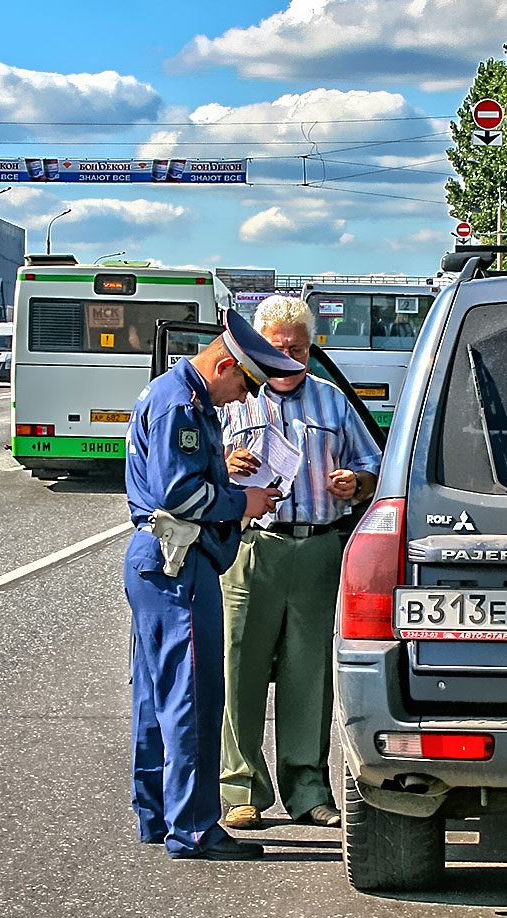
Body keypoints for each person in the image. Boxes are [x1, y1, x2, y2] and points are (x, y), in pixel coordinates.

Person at [123, 309, 305, 861]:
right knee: (193, 699)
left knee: (156, 697)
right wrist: (242, 501)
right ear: (224, 364)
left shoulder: (176, 394)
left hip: (158, 560)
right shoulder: (182, 404)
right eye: (244, 385)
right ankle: (196, 828)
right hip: (181, 560)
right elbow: (178, 495)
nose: (242, 400)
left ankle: (156, 814)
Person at [218, 294, 383, 830]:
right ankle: (242, 789)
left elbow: (373, 466)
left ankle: (308, 789)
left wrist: (356, 483)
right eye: (277, 346)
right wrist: (225, 463)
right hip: (251, 550)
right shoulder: (234, 399)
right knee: (238, 670)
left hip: (318, 550)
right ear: (259, 347)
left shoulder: (334, 402)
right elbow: (193, 467)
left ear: (311, 349)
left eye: (298, 346)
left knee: (308, 675)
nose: (288, 355)